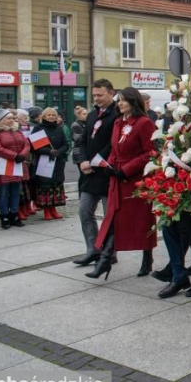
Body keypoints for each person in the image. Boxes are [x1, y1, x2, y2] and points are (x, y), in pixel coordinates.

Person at [88, 88, 157, 280]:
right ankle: (105, 260)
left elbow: (150, 152)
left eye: (124, 100)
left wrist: (126, 169)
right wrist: (109, 164)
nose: (120, 104)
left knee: (142, 221)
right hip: (116, 178)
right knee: (113, 219)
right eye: (119, 100)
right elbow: (114, 148)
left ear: (134, 102)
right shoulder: (118, 122)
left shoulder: (144, 123)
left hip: (135, 180)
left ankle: (147, 258)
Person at [73, 79, 119, 266]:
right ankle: (93, 249)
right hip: (89, 174)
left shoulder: (117, 114)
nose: (97, 98)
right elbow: (83, 140)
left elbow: (113, 144)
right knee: (85, 211)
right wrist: (83, 160)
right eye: (94, 95)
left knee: (110, 216)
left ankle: (109, 252)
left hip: (107, 173)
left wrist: (95, 161)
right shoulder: (92, 115)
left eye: (100, 95)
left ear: (111, 93)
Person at [0, 109, 30, 229]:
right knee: (4, 192)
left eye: (12, 118)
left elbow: (26, 144)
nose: (12, 120)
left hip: (17, 164)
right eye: (8, 118)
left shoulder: (16, 129)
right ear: (0, 119)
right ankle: (4, 216)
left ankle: (14, 215)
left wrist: (22, 154)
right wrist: (14, 156)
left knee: (16, 192)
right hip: (3, 165)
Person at [31, 108, 69, 220]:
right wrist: (48, 151)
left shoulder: (59, 128)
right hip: (44, 162)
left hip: (57, 161)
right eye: (48, 115)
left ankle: (54, 210)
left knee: (55, 186)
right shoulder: (38, 129)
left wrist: (58, 151)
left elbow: (65, 144)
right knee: (45, 187)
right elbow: (34, 146)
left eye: (53, 115)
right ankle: (47, 211)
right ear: (43, 116)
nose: (51, 117)